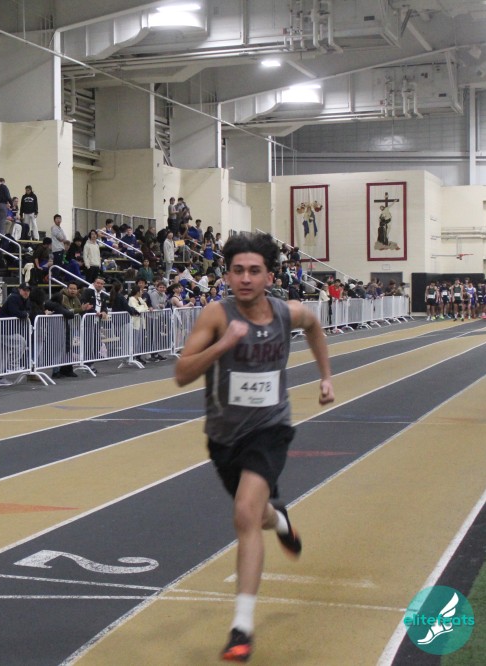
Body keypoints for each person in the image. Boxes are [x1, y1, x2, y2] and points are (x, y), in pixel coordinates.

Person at [174, 233, 334, 662]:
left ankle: (241, 628)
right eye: (238, 271)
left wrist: (325, 376)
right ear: (227, 275)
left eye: (254, 271)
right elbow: (181, 374)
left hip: (270, 428)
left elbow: (314, 326)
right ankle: (279, 521)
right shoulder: (216, 315)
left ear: (269, 276)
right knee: (257, 514)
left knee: (244, 513)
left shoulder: (287, 312)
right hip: (224, 436)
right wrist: (223, 344)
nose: (245, 279)